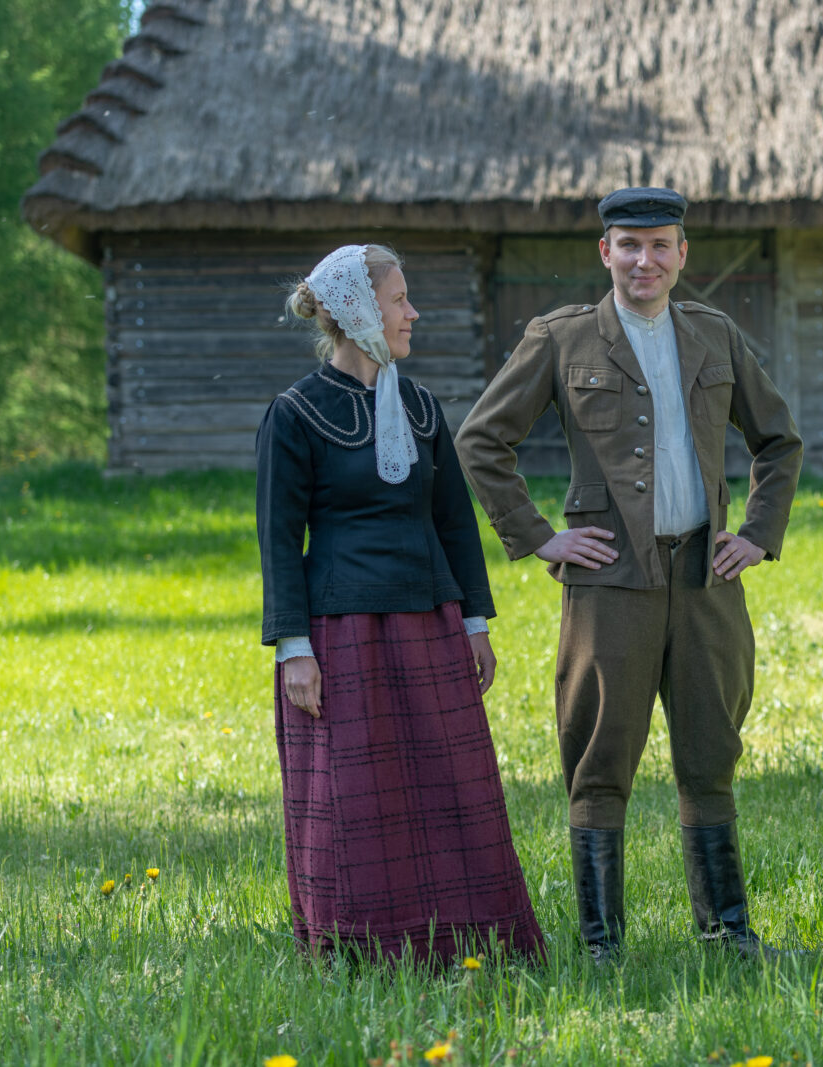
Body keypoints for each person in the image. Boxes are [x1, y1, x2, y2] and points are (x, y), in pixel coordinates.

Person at [455, 188, 803, 962]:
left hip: (708, 581)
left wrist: (757, 534)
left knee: (711, 756)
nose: (644, 260)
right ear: (604, 253)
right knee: (599, 760)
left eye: (659, 246)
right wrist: (542, 539)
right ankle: (601, 941)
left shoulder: (715, 335)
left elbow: (779, 442)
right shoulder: (563, 338)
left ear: (682, 254)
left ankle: (728, 931)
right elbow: (482, 441)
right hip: (609, 585)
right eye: (628, 246)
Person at [256, 244, 544, 966]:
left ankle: (470, 936)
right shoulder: (295, 415)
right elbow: (278, 540)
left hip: (430, 622)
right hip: (343, 630)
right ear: (356, 312)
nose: (412, 312)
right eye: (398, 299)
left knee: (451, 786)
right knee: (355, 794)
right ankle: (359, 947)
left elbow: (453, 522)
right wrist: (295, 649)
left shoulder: (421, 407)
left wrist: (474, 620)